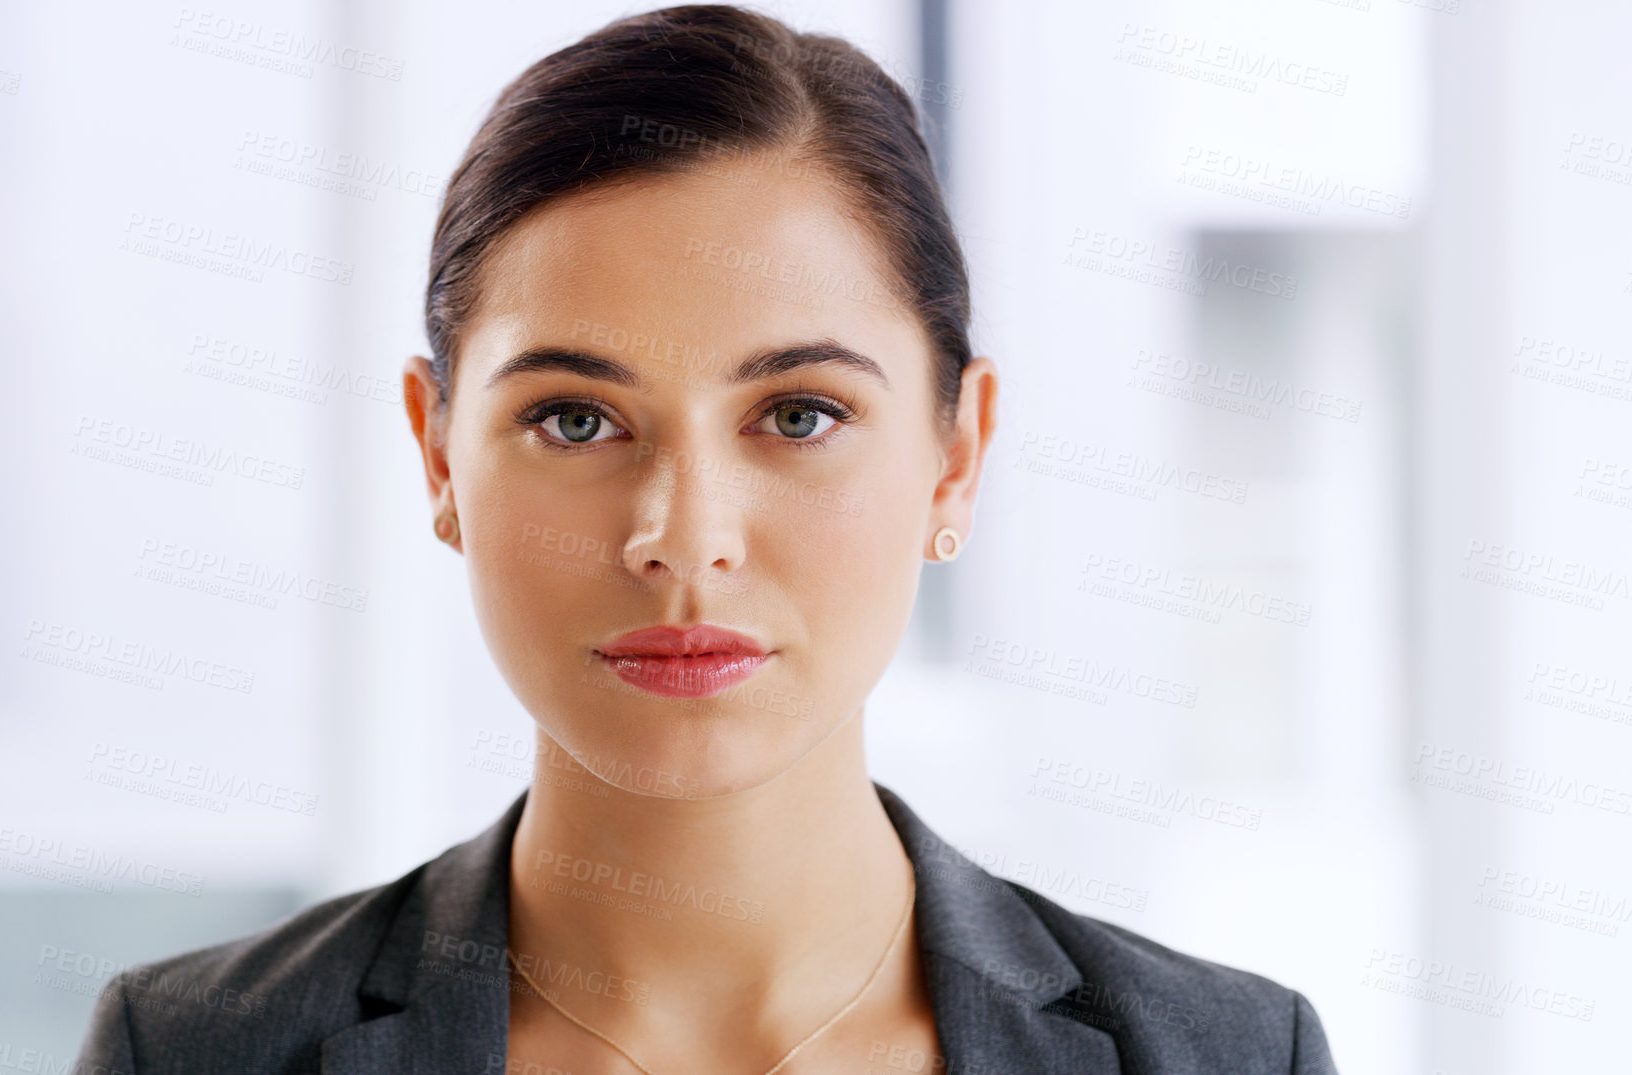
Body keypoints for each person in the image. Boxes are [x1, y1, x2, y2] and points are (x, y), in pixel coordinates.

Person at [73, 5, 1339, 1072]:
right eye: (577, 419)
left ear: (955, 455)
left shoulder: (1225, 1052)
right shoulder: (194, 1049)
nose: (682, 540)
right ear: (437, 451)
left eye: (798, 414)